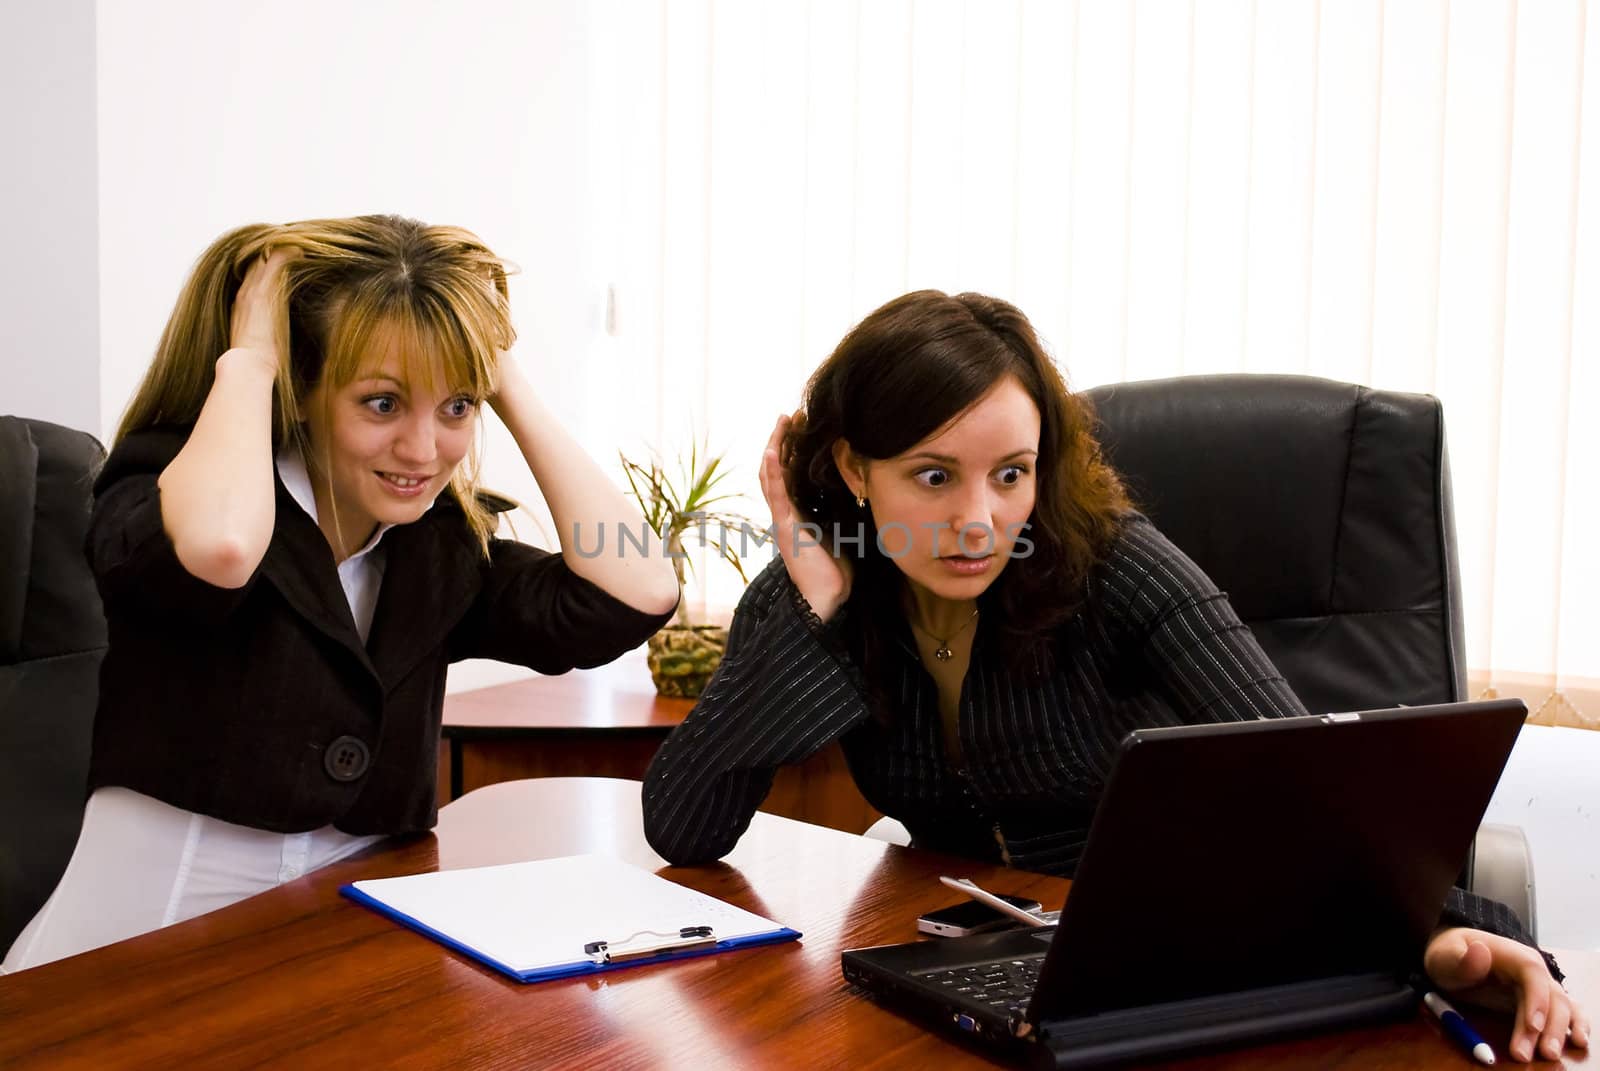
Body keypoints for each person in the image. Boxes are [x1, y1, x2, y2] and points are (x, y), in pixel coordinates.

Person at [642, 290, 1589, 1064]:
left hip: (1173, 968)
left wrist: (1459, 936)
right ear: (854, 468)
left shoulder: (1111, 563)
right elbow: (683, 828)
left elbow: (1306, 783)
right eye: (934, 477)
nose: (980, 519)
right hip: (972, 974)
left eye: (1011, 474)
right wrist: (809, 610)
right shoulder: (824, 580)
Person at [3, 215, 680, 972]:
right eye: (383, 404)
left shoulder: (440, 544)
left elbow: (641, 585)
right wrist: (255, 358)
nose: (425, 452)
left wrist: (506, 381)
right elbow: (222, 550)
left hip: (344, 932)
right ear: (301, 391)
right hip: (154, 937)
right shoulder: (172, 491)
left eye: (456, 406)